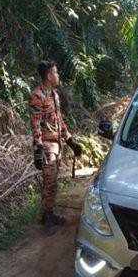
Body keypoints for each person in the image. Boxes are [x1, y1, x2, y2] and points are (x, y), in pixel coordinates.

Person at [29, 60, 82, 232]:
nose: (58, 75)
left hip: (57, 144)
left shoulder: (54, 94)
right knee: (49, 182)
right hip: (46, 145)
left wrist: (70, 140)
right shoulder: (37, 95)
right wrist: (37, 148)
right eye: (56, 72)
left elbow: (58, 120)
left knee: (53, 183)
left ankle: (49, 213)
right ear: (49, 75)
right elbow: (35, 123)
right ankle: (45, 219)